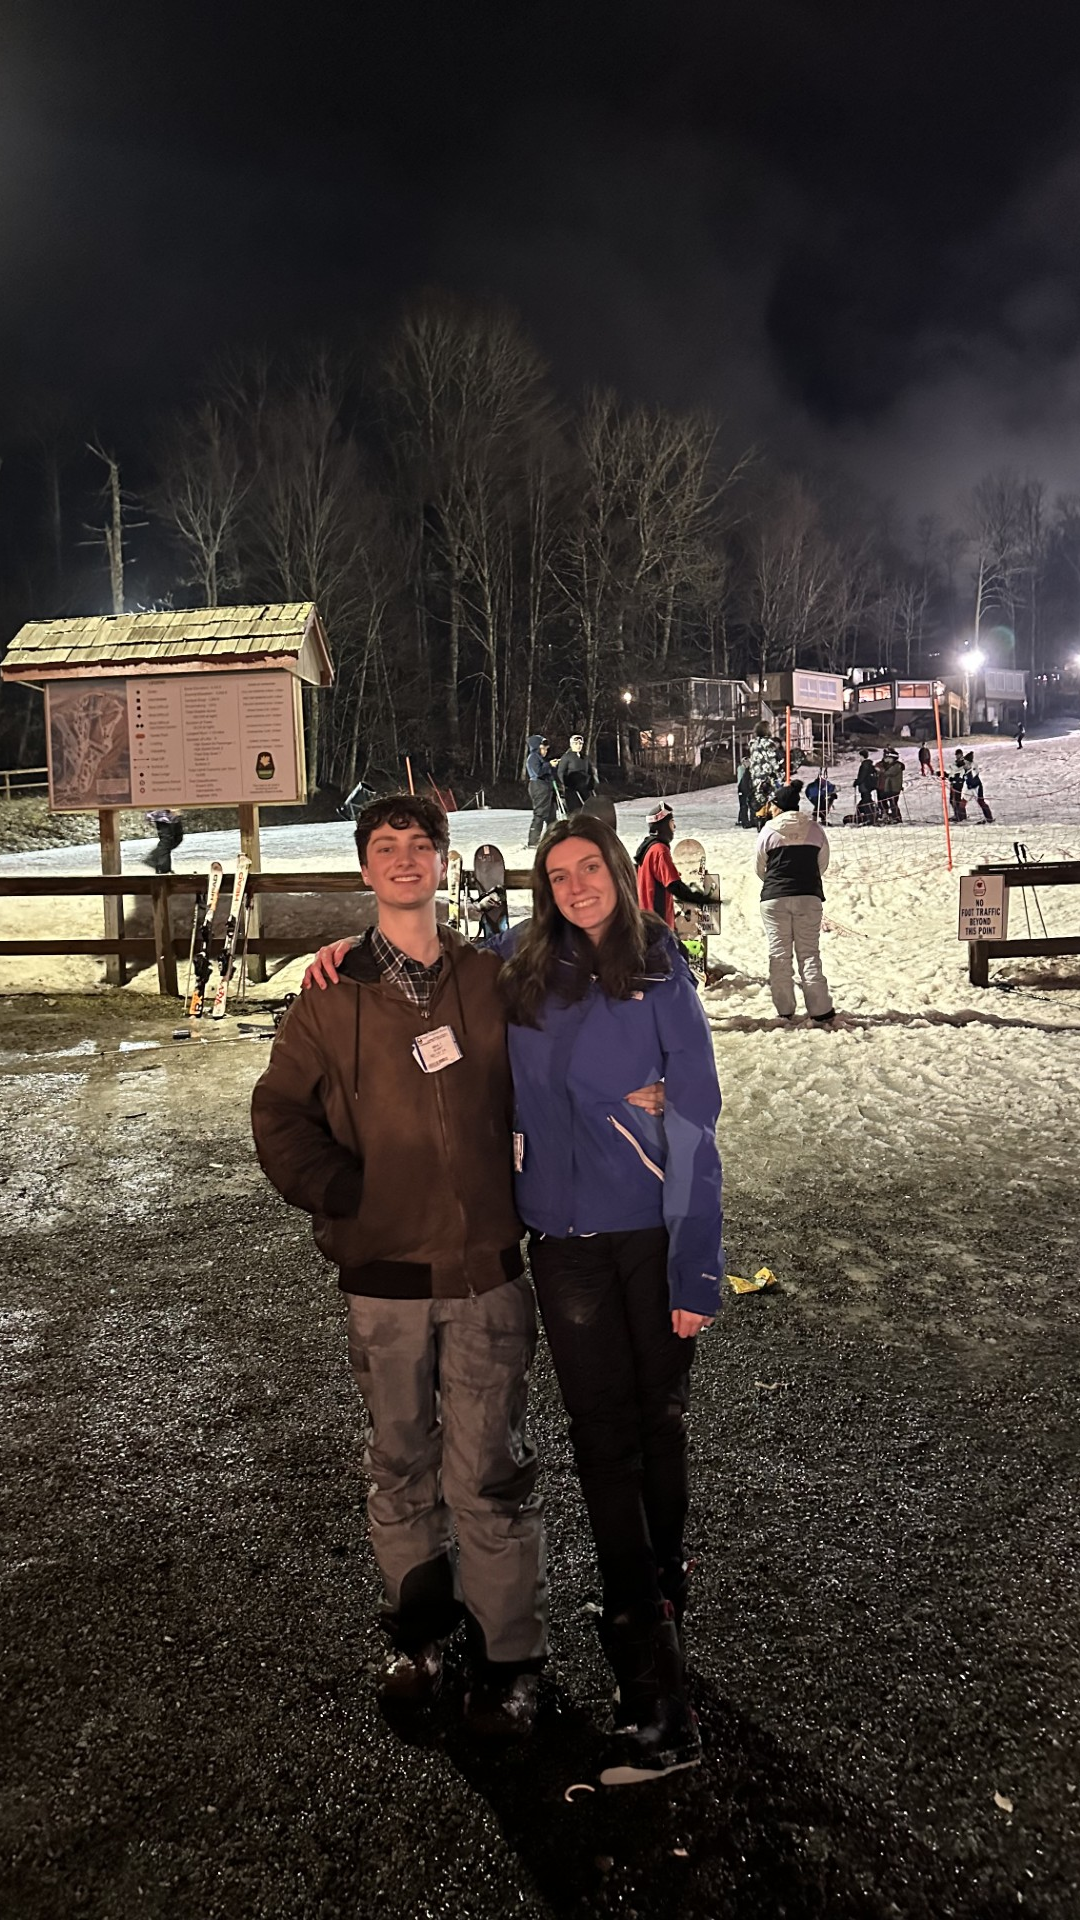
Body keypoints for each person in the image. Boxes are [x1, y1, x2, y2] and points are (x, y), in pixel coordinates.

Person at [250, 794, 549, 1739]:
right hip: (384, 1284)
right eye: (388, 849)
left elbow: (570, 1044)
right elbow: (277, 1115)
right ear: (366, 869)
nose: (406, 861)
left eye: (421, 846)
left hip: (490, 1276)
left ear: (445, 862)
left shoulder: (490, 979)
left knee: (489, 1474)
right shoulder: (330, 995)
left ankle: (511, 1661)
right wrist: (344, 1193)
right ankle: (421, 1639)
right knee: (399, 1465)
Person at [497, 817, 723, 1781]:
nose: (577, 886)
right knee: (601, 1434)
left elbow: (700, 1113)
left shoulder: (660, 966)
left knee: (657, 1420)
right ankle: (645, 1632)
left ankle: (654, 1613)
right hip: (564, 1238)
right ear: (543, 888)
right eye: (559, 874)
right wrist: (344, 950)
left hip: (650, 1232)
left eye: (591, 868)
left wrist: (697, 1269)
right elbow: (424, 958)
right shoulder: (519, 966)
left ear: (622, 875)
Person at [754, 779, 834, 1024]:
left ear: (779, 806)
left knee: (779, 954)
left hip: (774, 899)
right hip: (808, 895)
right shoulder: (815, 829)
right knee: (809, 953)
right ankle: (820, 1008)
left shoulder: (768, 831)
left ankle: (784, 1008)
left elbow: (759, 868)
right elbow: (823, 863)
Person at [633, 804, 715, 929]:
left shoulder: (647, 848)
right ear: (663, 826)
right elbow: (674, 885)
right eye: (672, 823)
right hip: (658, 923)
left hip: (647, 919)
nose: (674, 827)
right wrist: (698, 898)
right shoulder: (660, 850)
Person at [525, 735, 557, 847]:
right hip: (539, 787)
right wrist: (549, 765)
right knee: (540, 814)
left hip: (545, 787)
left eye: (546, 749)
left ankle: (553, 839)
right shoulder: (533, 757)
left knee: (551, 815)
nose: (545, 751)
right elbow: (538, 772)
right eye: (543, 748)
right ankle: (533, 842)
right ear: (537, 747)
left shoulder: (539, 758)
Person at [555, 734, 599, 813]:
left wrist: (592, 783)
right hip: (573, 789)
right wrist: (566, 783)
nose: (578, 746)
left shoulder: (585, 757)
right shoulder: (566, 757)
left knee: (589, 810)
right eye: (576, 743)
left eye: (580, 744)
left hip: (585, 788)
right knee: (576, 811)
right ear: (571, 744)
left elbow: (590, 772)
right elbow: (561, 772)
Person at [749, 723, 784, 817]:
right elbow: (774, 761)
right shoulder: (769, 743)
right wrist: (780, 771)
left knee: (760, 799)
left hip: (757, 777)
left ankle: (760, 820)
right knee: (773, 800)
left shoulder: (753, 744)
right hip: (768, 776)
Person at [142, 808, 183, 874]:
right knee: (167, 840)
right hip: (162, 812)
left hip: (171, 812)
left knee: (177, 838)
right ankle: (163, 869)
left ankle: (154, 858)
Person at [963, 752, 994, 822]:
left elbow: (973, 778)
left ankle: (989, 818)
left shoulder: (973, 768)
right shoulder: (966, 769)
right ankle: (961, 817)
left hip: (977, 787)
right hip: (970, 788)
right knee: (963, 803)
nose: (964, 764)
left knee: (981, 802)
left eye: (965, 763)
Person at [853, 751, 878, 824]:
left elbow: (862, 776)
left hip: (865, 786)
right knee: (865, 801)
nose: (858, 758)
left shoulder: (865, 765)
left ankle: (870, 818)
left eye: (859, 756)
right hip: (868, 786)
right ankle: (862, 816)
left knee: (866, 801)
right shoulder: (869, 764)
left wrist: (857, 782)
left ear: (862, 756)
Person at [736, 749, 756, 828]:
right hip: (743, 789)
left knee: (747, 805)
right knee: (744, 805)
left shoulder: (749, 770)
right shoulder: (742, 769)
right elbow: (741, 780)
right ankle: (743, 820)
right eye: (745, 762)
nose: (747, 763)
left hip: (747, 789)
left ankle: (748, 820)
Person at [947, 752, 968, 822]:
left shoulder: (963, 763)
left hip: (958, 784)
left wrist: (955, 779)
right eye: (956, 755)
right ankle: (960, 815)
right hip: (954, 783)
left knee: (956, 800)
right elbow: (952, 773)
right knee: (954, 800)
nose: (957, 756)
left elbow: (959, 772)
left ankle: (959, 816)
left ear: (961, 755)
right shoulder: (956, 763)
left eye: (958, 755)